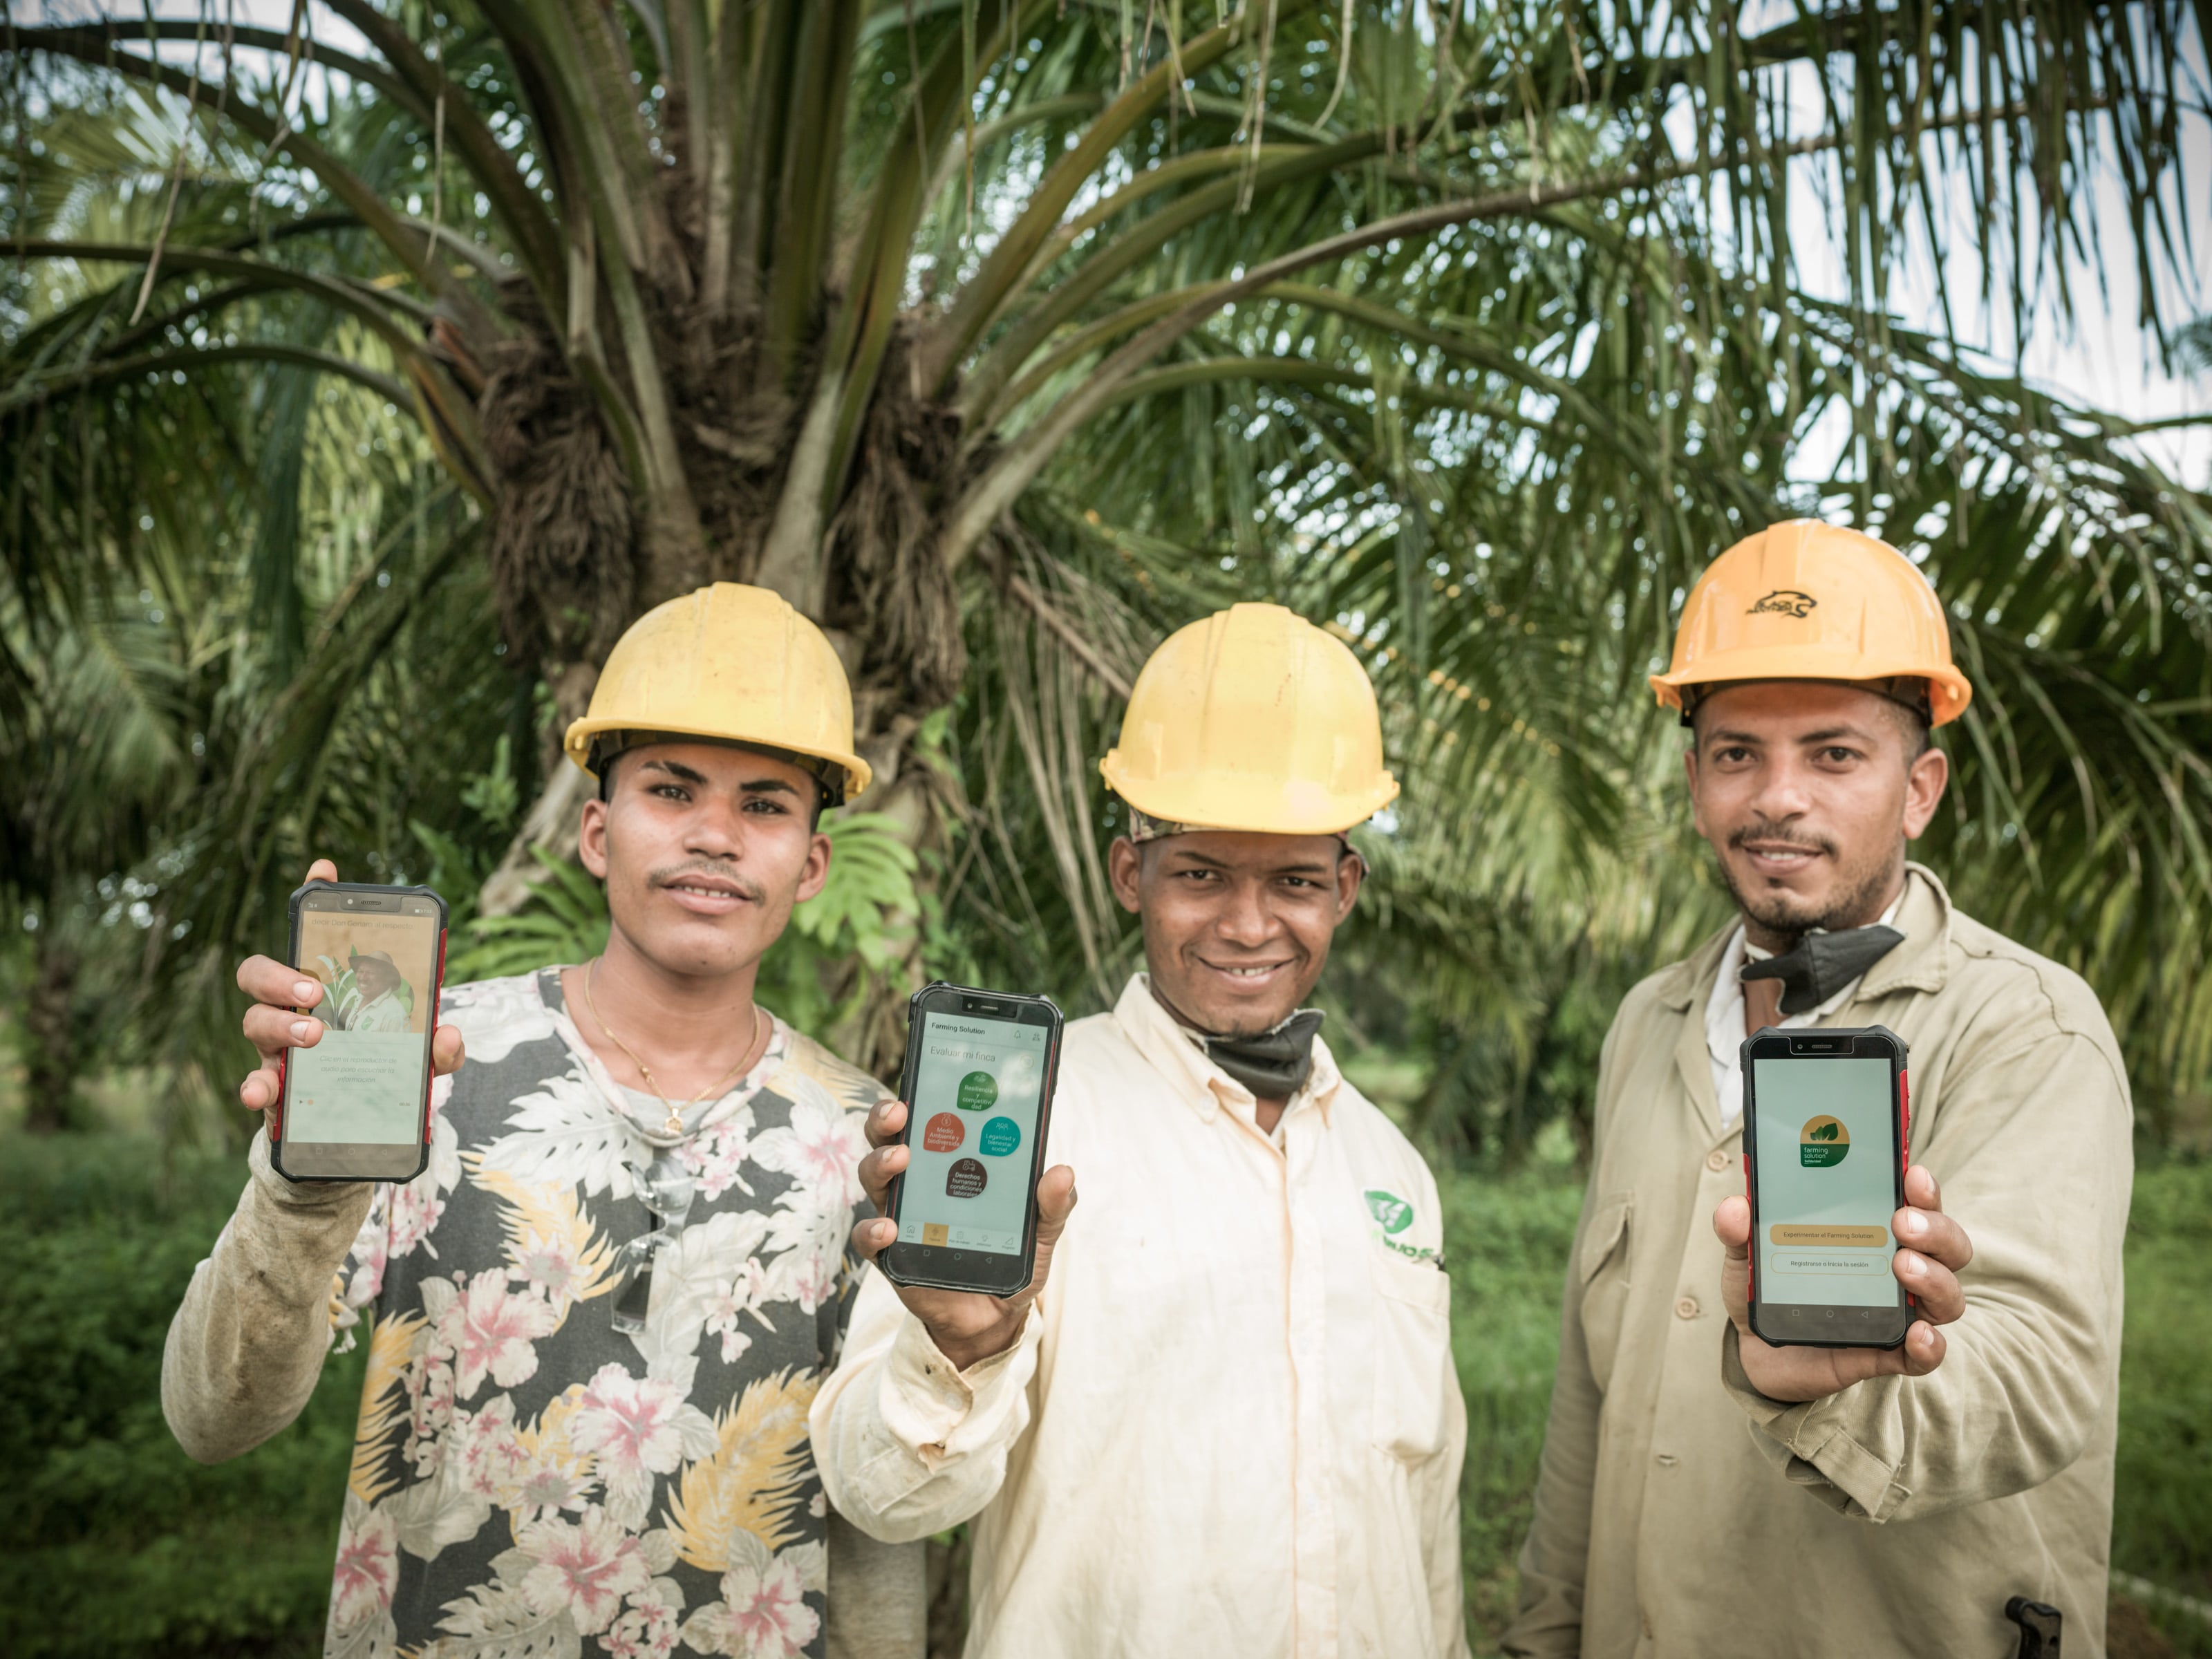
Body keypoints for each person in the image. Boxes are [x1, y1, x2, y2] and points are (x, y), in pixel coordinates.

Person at [162, 583, 924, 1659]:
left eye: (763, 804)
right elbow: (213, 1417)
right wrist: (301, 1187)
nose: (714, 835)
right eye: (671, 789)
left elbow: (873, 1526)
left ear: (810, 865)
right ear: (597, 833)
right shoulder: (433, 1064)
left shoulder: (864, 1141)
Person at [1503, 522, 2133, 1658]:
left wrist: (1828, 1390)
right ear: (1696, 781)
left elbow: (2040, 1375)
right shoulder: (1645, 1024)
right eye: (1738, 753)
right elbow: (1587, 1391)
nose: (1778, 798)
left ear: (1921, 788)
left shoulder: (2025, 1026)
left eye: (1835, 755)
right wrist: (1548, 1630)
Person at [811, 603, 1470, 1658]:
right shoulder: (1033, 1127)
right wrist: (954, 1352)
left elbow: (1424, 1513)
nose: (1248, 925)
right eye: (1202, 874)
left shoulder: (1389, 1168)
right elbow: (878, 1497)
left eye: (1294, 879)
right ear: (1134, 877)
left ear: (1345, 888)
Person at [346, 948, 413, 1033]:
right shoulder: (359, 999)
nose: (363, 978)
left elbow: (396, 1046)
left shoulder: (394, 1015)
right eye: (360, 971)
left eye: (370, 973)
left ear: (386, 978)